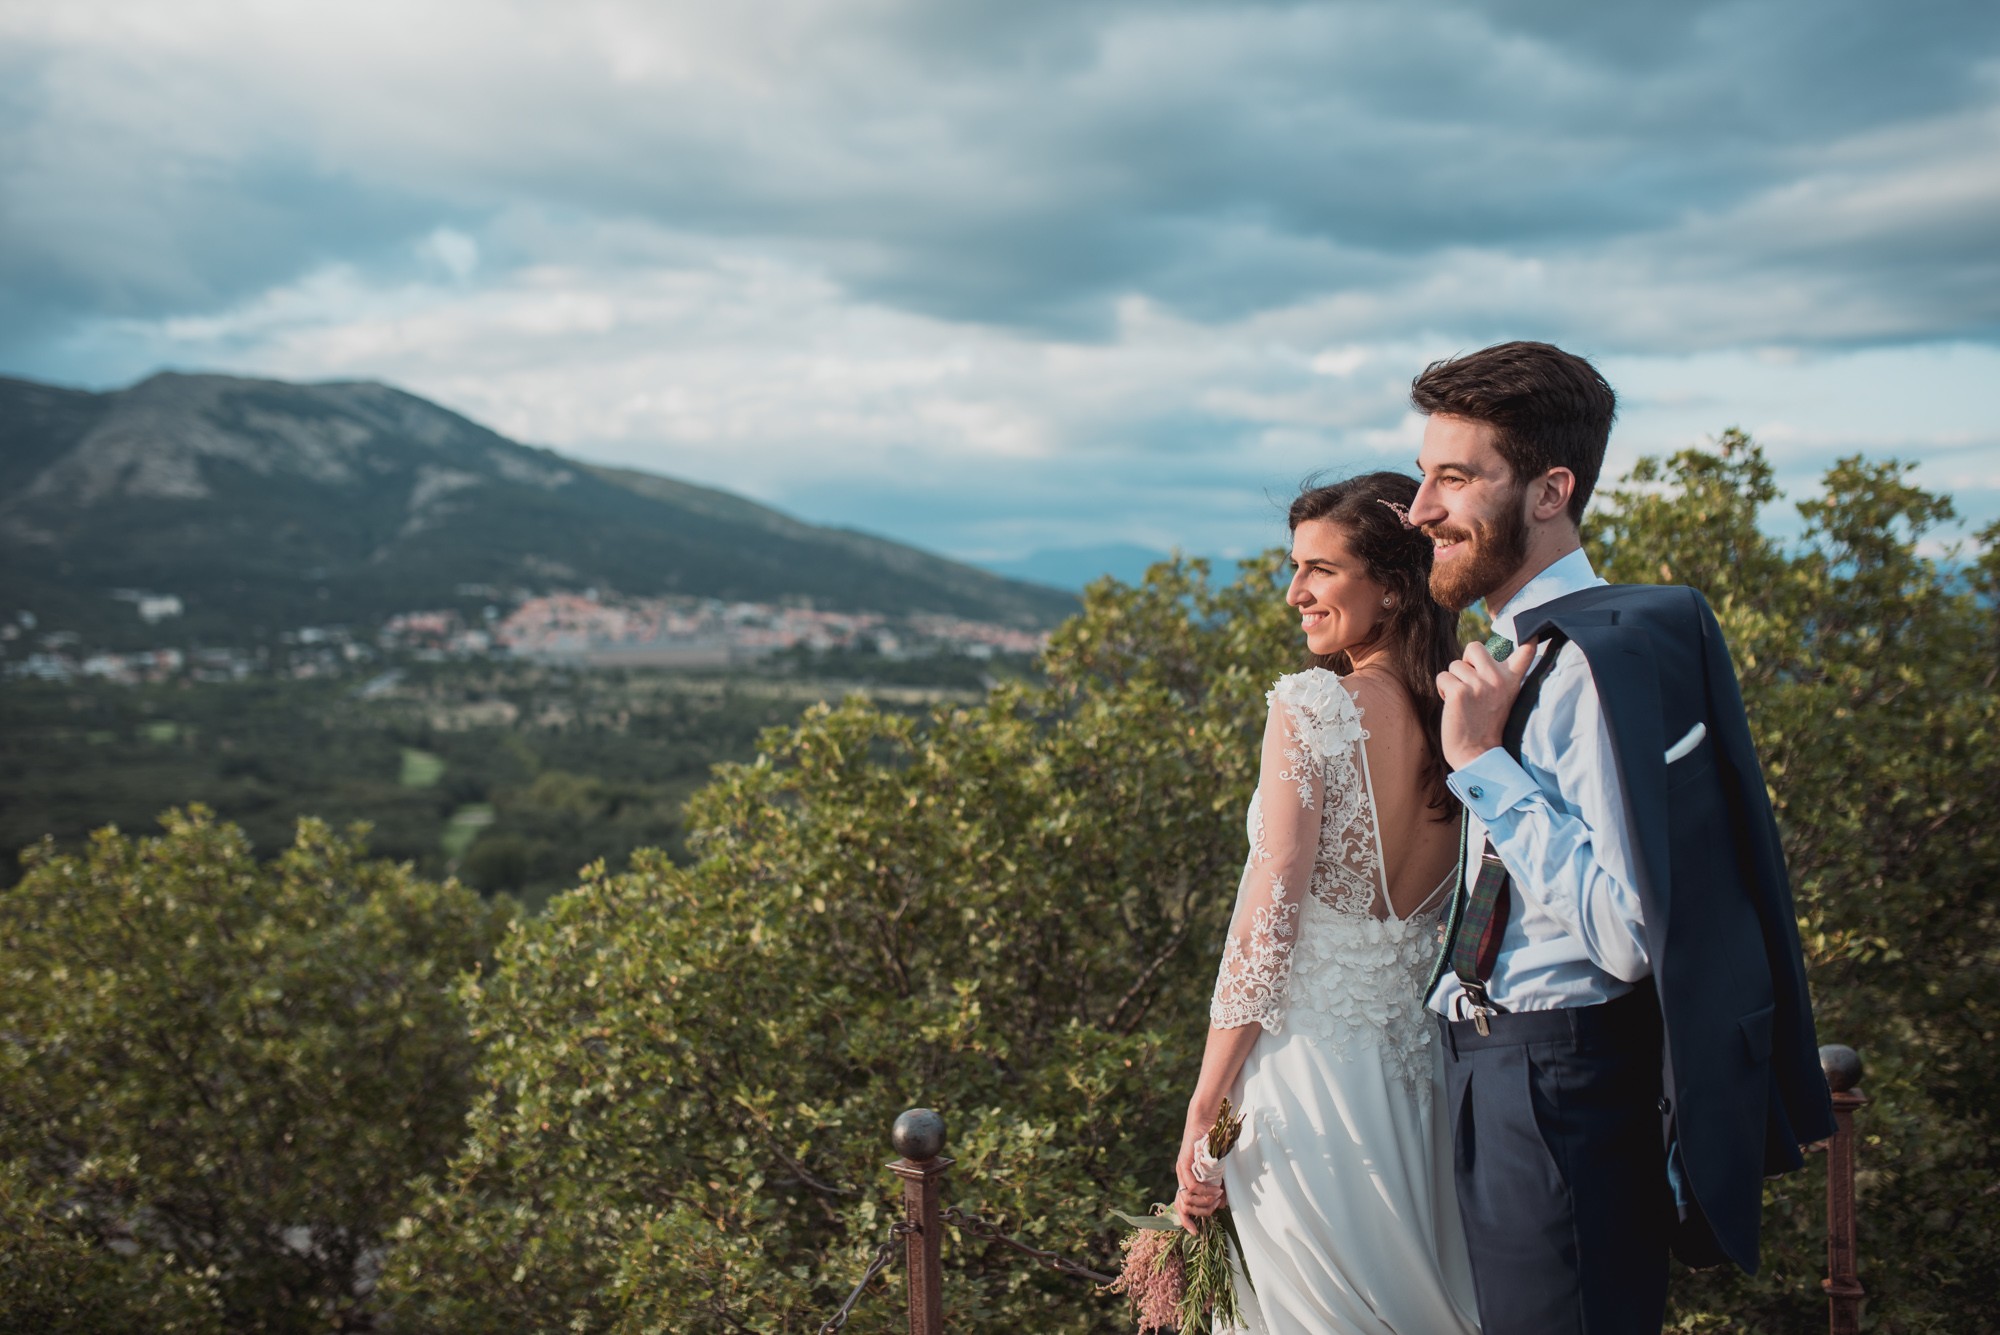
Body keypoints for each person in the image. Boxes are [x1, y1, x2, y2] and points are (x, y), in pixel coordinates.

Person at [1409, 341, 1835, 1335]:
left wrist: (1482, 768)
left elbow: (1628, 933)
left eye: (1454, 478)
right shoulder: (1526, 656)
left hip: (1556, 1086)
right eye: (1425, 476)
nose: (1421, 508)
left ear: (1550, 490)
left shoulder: (1592, 667)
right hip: (1496, 1069)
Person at [1174, 471, 1481, 1335]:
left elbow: (1266, 916)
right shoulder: (1470, 711)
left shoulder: (1312, 706)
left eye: (1319, 569)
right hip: (1426, 1076)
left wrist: (1207, 1097)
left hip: (1309, 1085)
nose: (1294, 592)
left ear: (1390, 584)